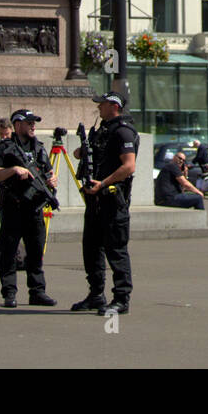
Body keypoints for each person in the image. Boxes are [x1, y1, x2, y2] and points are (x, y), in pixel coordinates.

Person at [71, 92, 137, 316]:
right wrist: (82, 152)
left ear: (114, 106)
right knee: (91, 249)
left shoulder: (123, 132)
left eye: (102, 104)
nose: (98, 107)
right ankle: (96, 294)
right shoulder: (101, 131)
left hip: (112, 199)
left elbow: (129, 166)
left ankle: (121, 299)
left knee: (116, 251)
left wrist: (103, 183)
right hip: (95, 200)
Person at [0, 109, 58, 308]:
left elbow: (48, 171)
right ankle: (9, 293)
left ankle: (37, 291)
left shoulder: (39, 147)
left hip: (34, 207)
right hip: (12, 206)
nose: (33, 126)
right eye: (29, 123)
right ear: (18, 125)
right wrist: (14, 170)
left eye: (34, 122)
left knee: (36, 251)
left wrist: (52, 179)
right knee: (9, 251)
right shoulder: (4, 147)